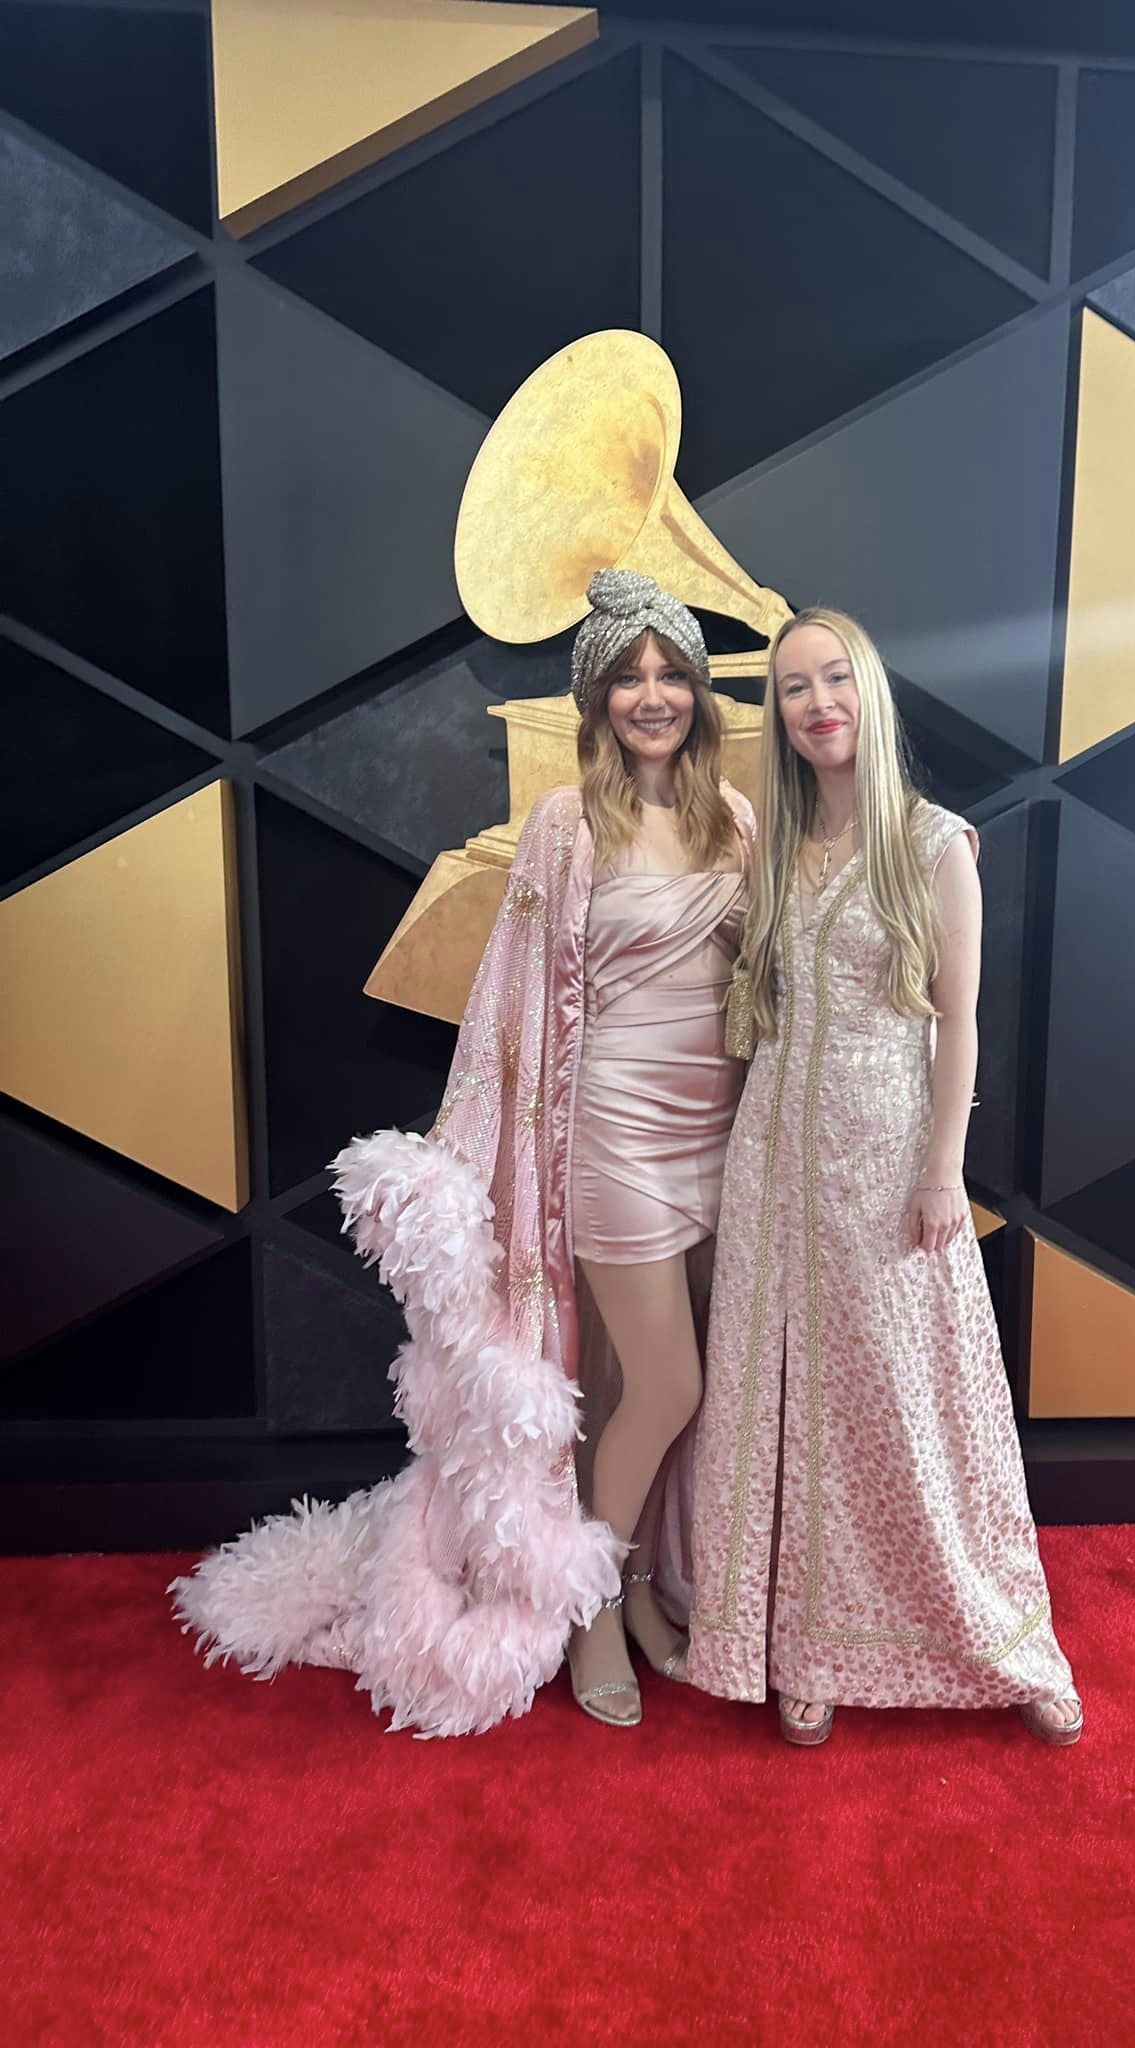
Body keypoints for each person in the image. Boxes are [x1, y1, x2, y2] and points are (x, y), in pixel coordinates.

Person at [172, 571, 753, 1737]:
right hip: (616, 1139)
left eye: (669, 673)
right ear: (594, 700)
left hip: (718, 1133)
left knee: (644, 1391)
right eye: (626, 677)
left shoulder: (732, 818)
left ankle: (639, 1579)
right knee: (669, 1383)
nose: (651, 695)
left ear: (697, 688)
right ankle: (590, 1607)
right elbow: (511, 998)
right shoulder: (565, 823)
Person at [686, 609, 1081, 1748]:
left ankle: (1007, 1639)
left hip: (888, 1156)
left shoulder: (934, 842)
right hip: (774, 1159)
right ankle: (807, 1650)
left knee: (912, 1409)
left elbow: (958, 1022)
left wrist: (942, 1170)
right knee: (790, 1402)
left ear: (870, 690)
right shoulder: (773, 846)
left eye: (834, 679)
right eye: (793, 687)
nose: (817, 704)